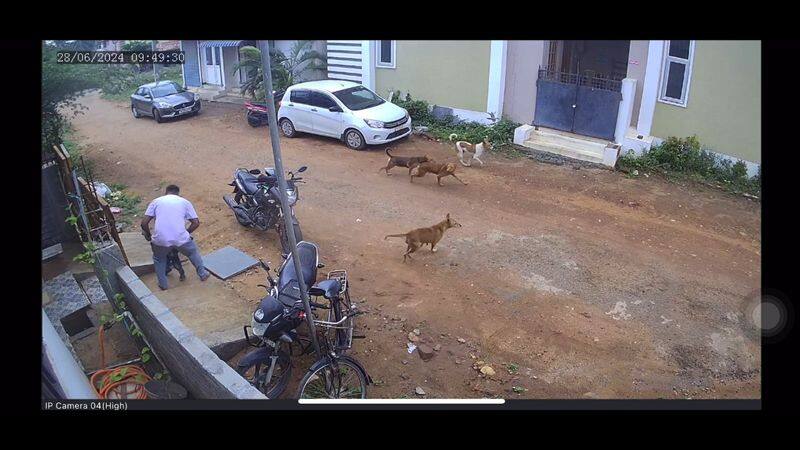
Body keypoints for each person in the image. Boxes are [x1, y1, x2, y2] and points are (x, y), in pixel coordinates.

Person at [140, 184, 210, 290]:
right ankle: (202, 274)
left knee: (159, 259)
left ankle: (163, 284)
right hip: (181, 239)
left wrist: (149, 236)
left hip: (160, 240)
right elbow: (196, 223)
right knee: (192, 252)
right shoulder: (184, 202)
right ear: (178, 193)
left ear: (166, 192)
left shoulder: (156, 201)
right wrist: (186, 233)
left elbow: (144, 223)